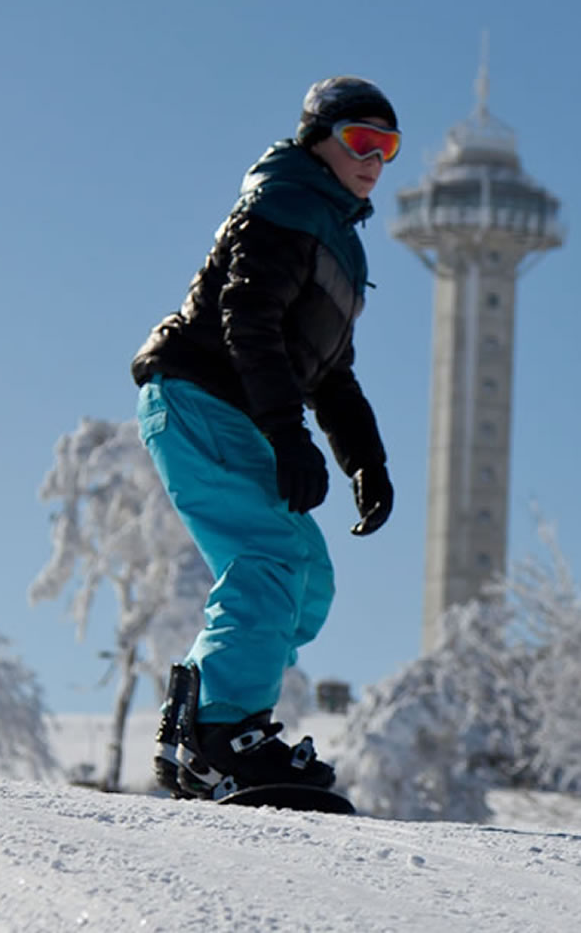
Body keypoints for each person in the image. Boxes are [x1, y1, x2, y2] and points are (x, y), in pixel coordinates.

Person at [136, 75, 401, 800]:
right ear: (319, 138)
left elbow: (332, 374)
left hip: (234, 407)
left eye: (389, 146)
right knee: (269, 556)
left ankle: (204, 724)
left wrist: (366, 462)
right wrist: (289, 437)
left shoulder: (336, 238)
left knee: (305, 575)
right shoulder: (283, 204)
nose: (375, 158)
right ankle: (223, 733)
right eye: (360, 140)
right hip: (199, 394)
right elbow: (246, 323)